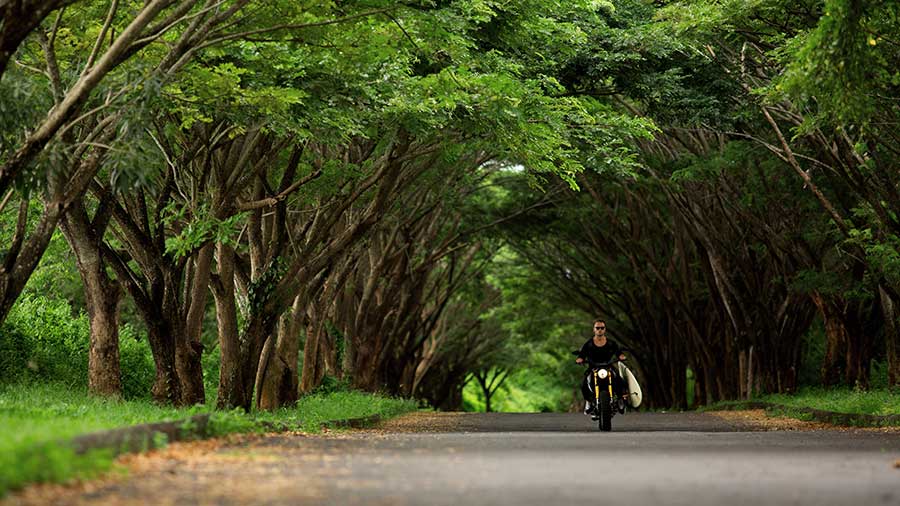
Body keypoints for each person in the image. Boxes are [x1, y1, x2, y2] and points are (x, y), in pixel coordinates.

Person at [575, 318, 627, 416]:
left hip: (608, 367)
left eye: (602, 328)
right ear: (594, 329)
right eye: (597, 328)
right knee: (584, 384)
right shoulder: (589, 344)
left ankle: (620, 399)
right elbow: (582, 355)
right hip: (593, 368)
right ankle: (589, 401)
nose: (600, 330)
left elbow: (619, 353)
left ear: (605, 329)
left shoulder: (611, 343)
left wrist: (622, 357)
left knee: (620, 380)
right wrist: (580, 359)